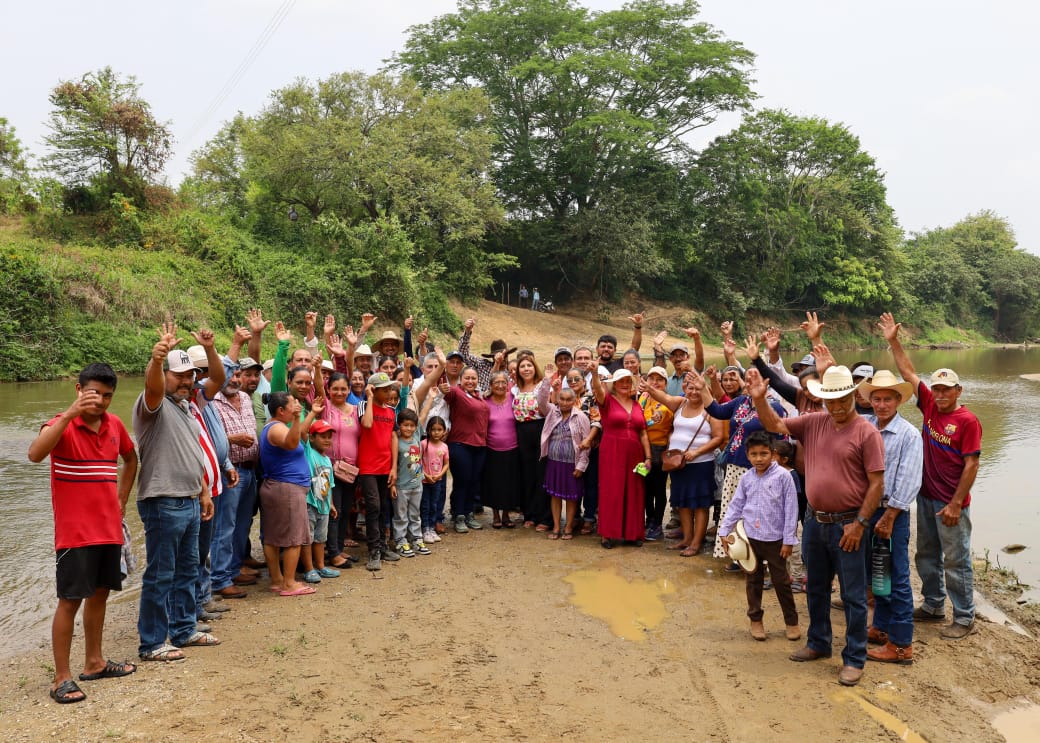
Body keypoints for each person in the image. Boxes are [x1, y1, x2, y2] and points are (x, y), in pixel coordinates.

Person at [748, 365, 884, 687]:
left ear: (853, 395)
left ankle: (854, 658)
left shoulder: (867, 432)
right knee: (817, 588)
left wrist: (861, 524)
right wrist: (759, 400)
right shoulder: (814, 422)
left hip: (849, 524)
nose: (836, 407)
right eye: (830, 401)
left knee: (852, 595)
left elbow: (877, 484)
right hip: (814, 521)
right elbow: (776, 424)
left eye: (842, 400)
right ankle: (819, 642)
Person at [28, 363, 139, 704]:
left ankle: (94, 662)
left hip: (107, 529)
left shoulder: (114, 425)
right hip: (74, 535)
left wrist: (122, 498)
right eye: (94, 394)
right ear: (78, 390)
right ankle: (61, 678)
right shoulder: (62, 425)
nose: (101, 402)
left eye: (108, 396)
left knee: (101, 595)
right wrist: (69, 414)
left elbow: (131, 459)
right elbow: (34, 454)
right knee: (69, 601)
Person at [879, 312, 982, 640]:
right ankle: (934, 604)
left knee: (956, 558)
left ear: (958, 390)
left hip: (950, 503)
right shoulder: (931, 408)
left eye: (946, 390)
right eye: (936, 389)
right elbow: (908, 372)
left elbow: (972, 465)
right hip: (924, 496)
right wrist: (893, 340)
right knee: (925, 553)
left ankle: (964, 616)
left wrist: (955, 504)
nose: (939, 394)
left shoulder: (967, 421)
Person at [133, 325, 214, 662]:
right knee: (160, 574)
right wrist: (156, 359)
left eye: (190, 376)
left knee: (187, 571)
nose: (186, 381)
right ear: (165, 375)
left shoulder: (184, 407)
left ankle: (183, 629)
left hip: (191, 500)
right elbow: (152, 386)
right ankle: (152, 643)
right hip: (163, 502)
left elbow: (192, 452)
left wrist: (204, 491)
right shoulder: (151, 406)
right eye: (179, 376)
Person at [857, 370, 923, 664]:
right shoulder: (865, 425)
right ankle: (881, 627)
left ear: (899, 400)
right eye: (877, 399)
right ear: (869, 401)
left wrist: (891, 515)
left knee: (897, 576)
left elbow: (910, 480)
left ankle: (901, 644)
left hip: (891, 511)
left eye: (887, 399)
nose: (882, 404)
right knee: (876, 573)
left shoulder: (908, 434)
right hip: (869, 509)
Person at [718, 431, 800, 642]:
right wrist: (724, 531)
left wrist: (788, 540)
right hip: (750, 538)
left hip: (775, 541)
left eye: (764, 454)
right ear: (747, 455)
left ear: (773, 454)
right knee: (752, 580)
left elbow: (791, 510)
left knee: (781, 581)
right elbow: (736, 505)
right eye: (754, 454)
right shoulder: (747, 478)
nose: (759, 459)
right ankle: (756, 621)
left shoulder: (784, 477)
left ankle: (791, 622)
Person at [641, 371, 725, 556]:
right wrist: (648, 388)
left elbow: (719, 437)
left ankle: (696, 543)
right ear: (684, 389)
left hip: (701, 463)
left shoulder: (711, 408)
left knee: (700, 504)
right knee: (683, 503)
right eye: (690, 388)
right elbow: (663, 396)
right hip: (678, 463)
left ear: (706, 390)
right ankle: (687, 538)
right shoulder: (680, 403)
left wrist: (696, 452)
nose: (694, 392)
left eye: (698, 388)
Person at [259, 392, 321, 596]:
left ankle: (277, 580)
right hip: (286, 488)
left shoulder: (277, 426)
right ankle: (288, 583)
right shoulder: (277, 429)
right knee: (294, 538)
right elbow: (292, 443)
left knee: (273, 536)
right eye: (293, 405)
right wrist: (297, 418)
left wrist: (311, 414)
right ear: (281, 410)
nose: (297, 407)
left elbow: (298, 433)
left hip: (280, 488)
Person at [425, 355, 490, 533]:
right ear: (461, 379)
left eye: (473, 378)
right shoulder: (455, 392)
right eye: (467, 378)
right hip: (460, 444)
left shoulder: (479, 396)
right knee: (463, 480)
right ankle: (458, 514)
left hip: (480, 445)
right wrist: (441, 367)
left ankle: (469, 513)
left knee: (474, 481)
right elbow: (442, 385)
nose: (470, 381)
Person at [591, 368, 651, 548]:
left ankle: (632, 533)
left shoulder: (637, 405)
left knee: (634, 490)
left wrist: (648, 457)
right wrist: (595, 374)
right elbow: (598, 389)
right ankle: (608, 534)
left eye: (628, 381)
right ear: (614, 385)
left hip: (635, 452)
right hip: (612, 450)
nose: (625, 384)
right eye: (621, 381)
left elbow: (643, 433)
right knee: (612, 490)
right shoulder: (607, 401)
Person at [537, 375, 591, 539]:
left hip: (571, 464)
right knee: (555, 496)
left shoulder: (580, 416)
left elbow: (585, 443)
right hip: (554, 462)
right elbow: (541, 402)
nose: (565, 402)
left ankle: (568, 527)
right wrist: (548, 383)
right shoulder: (553, 412)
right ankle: (555, 526)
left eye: (569, 400)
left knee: (571, 498)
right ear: (558, 399)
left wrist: (581, 466)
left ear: (574, 401)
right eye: (562, 399)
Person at [358, 372, 402, 570]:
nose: (389, 392)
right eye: (384, 390)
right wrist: (368, 397)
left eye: (389, 389)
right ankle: (373, 550)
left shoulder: (391, 411)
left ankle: (382, 546)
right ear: (374, 390)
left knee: (384, 506)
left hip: (385, 465)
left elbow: (394, 438)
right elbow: (366, 424)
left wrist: (394, 467)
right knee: (373, 506)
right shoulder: (363, 406)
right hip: (367, 466)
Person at [318, 372, 361, 568]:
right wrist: (318, 369)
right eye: (335, 388)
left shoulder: (355, 410)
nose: (339, 392)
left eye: (344, 388)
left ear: (349, 390)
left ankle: (340, 547)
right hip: (330, 467)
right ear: (328, 390)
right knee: (334, 510)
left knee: (345, 509)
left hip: (350, 470)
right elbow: (318, 386)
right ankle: (333, 552)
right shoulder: (326, 408)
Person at [300, 418, 340, 581]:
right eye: (323, 436)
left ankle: (321, 566)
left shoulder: (327, 461)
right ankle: (309, 569)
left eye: (329, 436)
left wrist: (331, 504)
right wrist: (314, 413)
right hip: (310, 504)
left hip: (323, 505)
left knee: (320, 537)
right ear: (312, 438)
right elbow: (302, 432)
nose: (327, 440)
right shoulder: (308, 452)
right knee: (307, 538)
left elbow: (329, 484)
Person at [513, 352, 549, 530]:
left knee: (541, 473)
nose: (526, 369)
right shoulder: (515, 388)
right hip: (521, 431)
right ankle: (530, 514)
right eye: (522, 366)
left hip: (540, 429)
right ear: (518, 371)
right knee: (526, 474)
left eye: (529, 366)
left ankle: (544, 517)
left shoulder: (543, 385)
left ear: (535, 368)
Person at [638, 367, 675, 541]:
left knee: (658, 489)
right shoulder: (643, 398)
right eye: (651, 379)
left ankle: (657, 523)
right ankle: (649, 519)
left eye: (659, 379)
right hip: (641, 449)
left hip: (658, 450)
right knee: (645, 488)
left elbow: (652, 421)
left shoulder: (667, 402)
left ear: (665, 383)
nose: (655, 382)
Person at [482, 370, 521, 529]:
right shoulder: (485, 401)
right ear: (490, 385)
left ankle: (506, 515)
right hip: (492, 449)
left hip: (513, 448)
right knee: (494, 483)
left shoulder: (514, 398)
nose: (500, 385)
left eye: (503, 382)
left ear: (508, 385)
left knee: (509, 483)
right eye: (496, 382)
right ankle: (496, 515)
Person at [392, 409, 428, 556]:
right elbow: (393, 464)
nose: (409, 428)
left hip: (417, 484)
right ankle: (401, 541)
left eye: (412, 425)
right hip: (401, 486)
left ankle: (416, 538)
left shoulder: (417, 436)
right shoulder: (396, 440)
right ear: (399, 425)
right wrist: (393, 484)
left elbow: (423, 416)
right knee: (400, 515)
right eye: (405, 425)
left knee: (415, 513)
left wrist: (431, 397)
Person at [420, 416, 450, 544]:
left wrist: (439, 475)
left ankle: (431, 529)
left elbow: (446, 464)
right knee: (425, 505)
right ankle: (424, 529)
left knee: (434, 504)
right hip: (424, 481)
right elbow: (418, 461)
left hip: (437, 481)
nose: (436, 432)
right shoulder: (424, 444)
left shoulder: (444, 446)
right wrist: (425, 475)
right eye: (433, 429)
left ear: (444, 431)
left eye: (439, 429)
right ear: (428, 430)